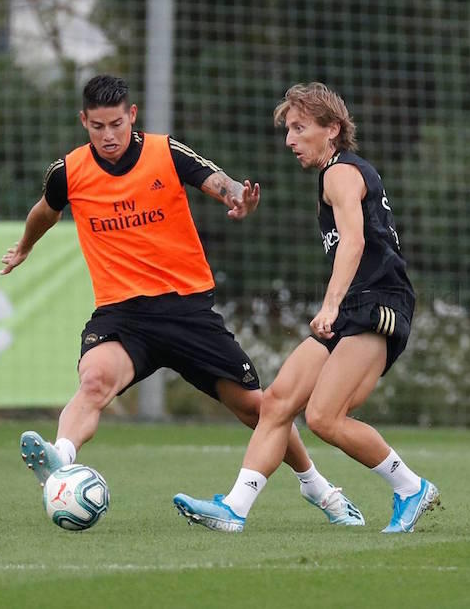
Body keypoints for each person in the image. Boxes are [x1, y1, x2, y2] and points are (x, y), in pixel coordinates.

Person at [1, 74, 364, 529]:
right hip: (123, 314)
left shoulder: (163, 152)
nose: (108, 136)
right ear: (84, 122)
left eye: (115, 124)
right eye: (97, 127)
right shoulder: (69, 171)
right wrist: (25, 245)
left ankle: (319, 489)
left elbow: (218, 181)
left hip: (186, 310)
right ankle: (62, 458)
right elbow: (45, 210)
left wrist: (239, 199)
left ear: (131, 116)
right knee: (94, 382)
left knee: (259, 409)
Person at [173, 82, 439, 533]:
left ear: (332, 129)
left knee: (323, 418)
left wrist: (330, 304)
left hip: (376, 305)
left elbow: (354, 242)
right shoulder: (332, 175)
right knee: (276, 401)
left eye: (300, 128)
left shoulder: (340, 172)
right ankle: (235, 509)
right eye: (288, 130)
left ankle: (411, 487)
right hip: (354, 305)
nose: (289, 140)